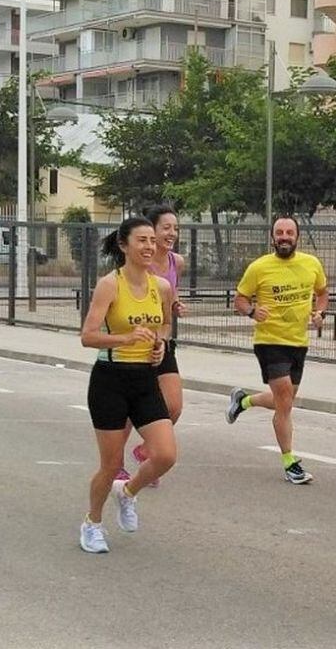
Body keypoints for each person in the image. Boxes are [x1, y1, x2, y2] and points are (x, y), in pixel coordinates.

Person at [78, 217, 176, 553]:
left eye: (153, 240)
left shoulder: (161, 286)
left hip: (145, 380)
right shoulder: (110, 285)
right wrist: (126, 337)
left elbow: (164, 324)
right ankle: (91, 523)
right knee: (110, 464)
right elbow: (88, 337)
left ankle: (128, 492)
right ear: (124, 245)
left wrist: (161, 343)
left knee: (165, 455)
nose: (150, 246)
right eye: (142, 240)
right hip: (111, 379)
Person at [225, 216, 329, 485]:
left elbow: (323, 292)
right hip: (269, 341)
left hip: (298, 342)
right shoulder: (259, 267)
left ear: (298, 237)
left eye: (289, 232)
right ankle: (290, 462)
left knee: (284, 400)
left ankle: (243, 401)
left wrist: (320, 314)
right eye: (279, 233)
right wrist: (251, 311)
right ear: (272, 238)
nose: (284, 237)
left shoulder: (311, 264)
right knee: (284, 400)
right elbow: (240, 298)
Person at [117, 204, 188, 485]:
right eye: (166, 228)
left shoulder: (176, 262)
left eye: (176, 228)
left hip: (162, 342)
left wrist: (176, 305)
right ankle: (116, 463)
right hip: (135, 344)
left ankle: (146, 451)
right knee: (129, 410)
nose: (172, 233)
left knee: (173, 407)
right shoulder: (137, 264)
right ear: (152, 230)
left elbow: (171, 293)